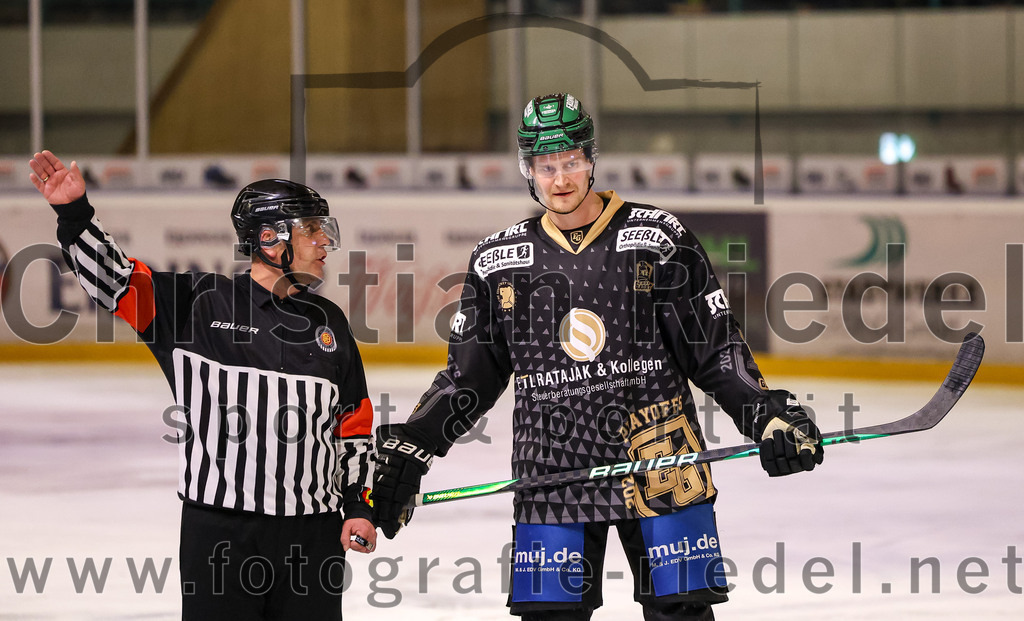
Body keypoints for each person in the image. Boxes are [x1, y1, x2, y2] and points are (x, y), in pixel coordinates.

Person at [370, 94, 824, 620]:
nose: (560, 179)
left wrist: (765, 413)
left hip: (661, 460)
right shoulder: (497, 261)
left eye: (570, 163)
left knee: (681, 613)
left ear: (590, 159)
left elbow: (715, 349)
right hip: (551, 471)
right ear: (528, 170)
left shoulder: (657, 238)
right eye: (546, 166)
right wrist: (414, 445)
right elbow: (469, 376)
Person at [28, 150, 376, 621]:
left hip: (311, 537)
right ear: (271, 240)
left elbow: (352, 425)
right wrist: (74, 213)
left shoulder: (328, 321)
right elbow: (113, 279)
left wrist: (358, 504)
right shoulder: (196, 305)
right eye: (312, 230)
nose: (325, 242)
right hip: (219, 536)